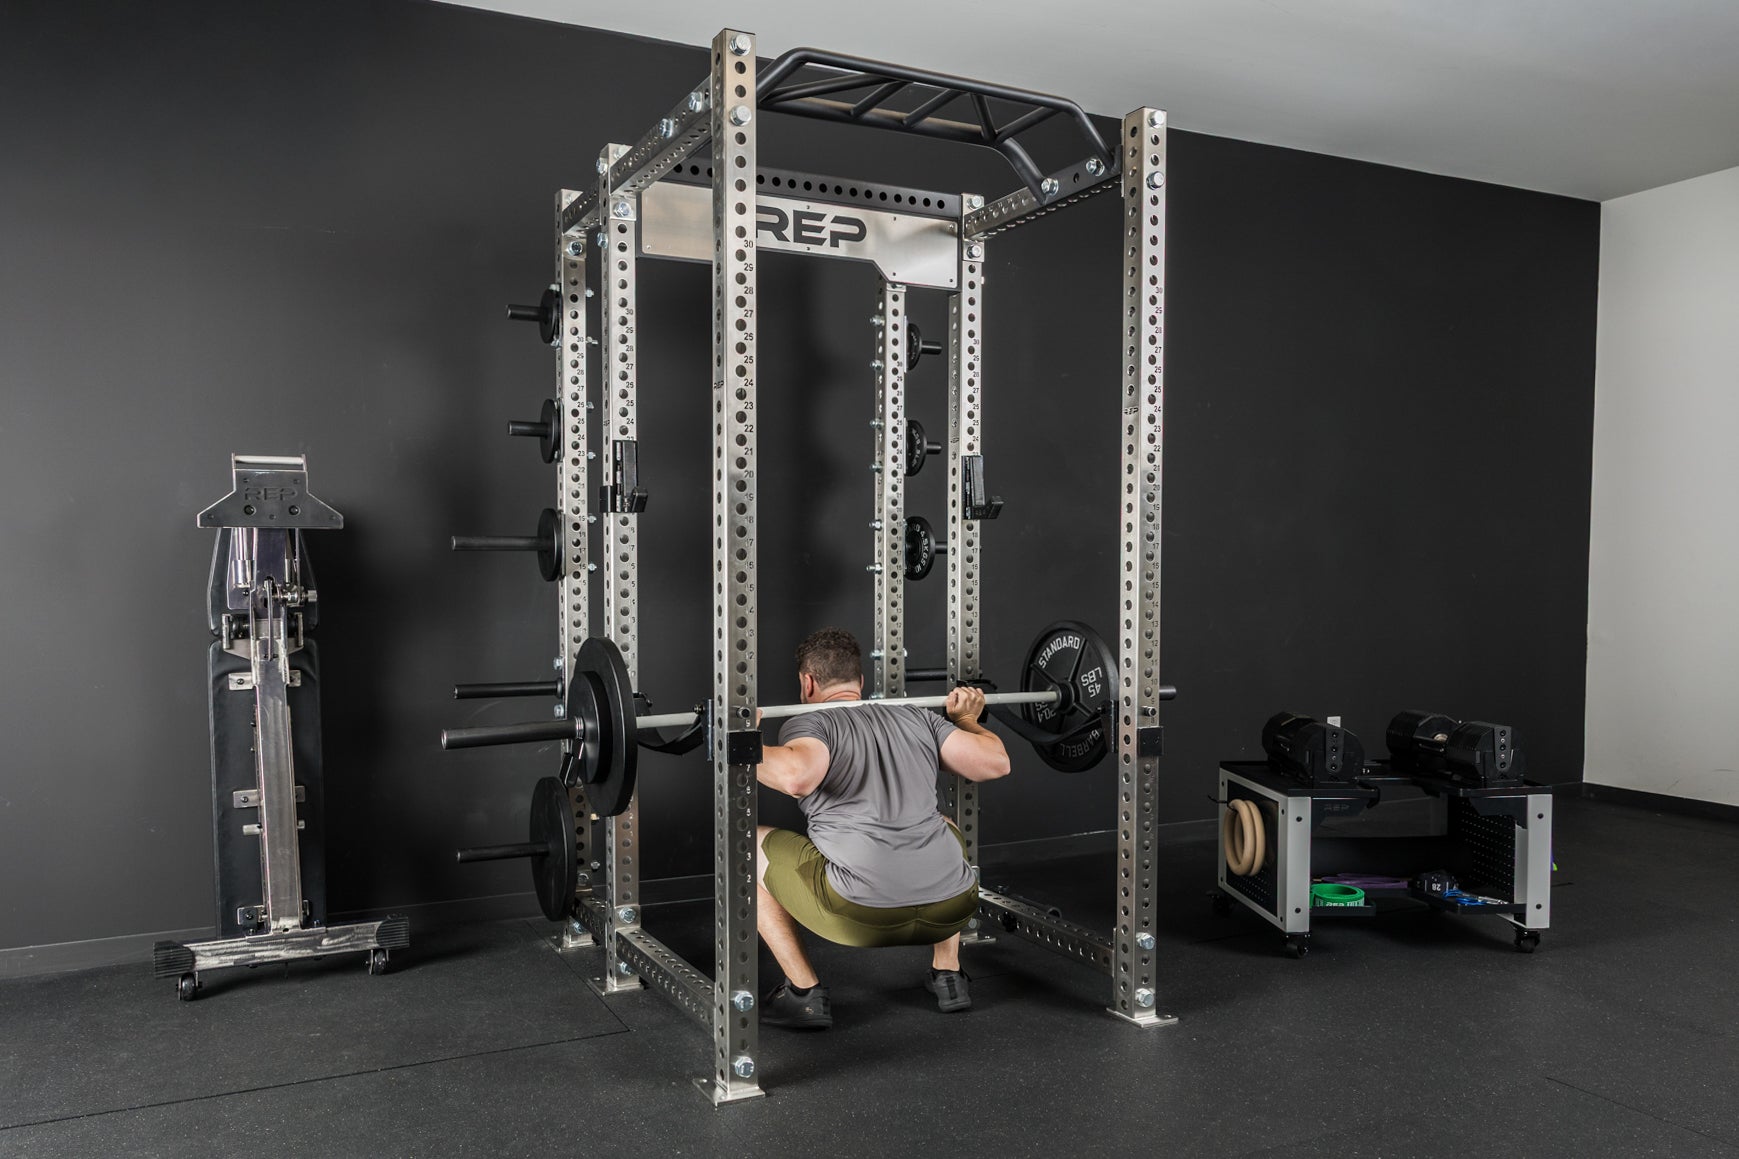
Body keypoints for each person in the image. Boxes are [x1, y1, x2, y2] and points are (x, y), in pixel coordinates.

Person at [754, 628, 1011, 1029]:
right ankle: (949, 975)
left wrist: (742, 740)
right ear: (860, 682)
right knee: (942, 824)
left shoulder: (812, 723)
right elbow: (995, 762)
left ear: (807, 682)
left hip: (860, 917)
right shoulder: (916, 716)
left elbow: (796, 778)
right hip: (953, 908)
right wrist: (966, 721)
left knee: (747, 845)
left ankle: (803, 994)